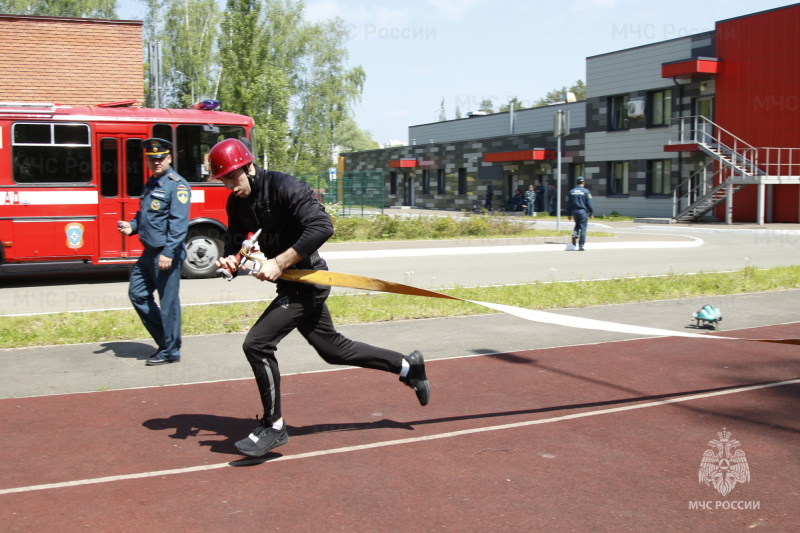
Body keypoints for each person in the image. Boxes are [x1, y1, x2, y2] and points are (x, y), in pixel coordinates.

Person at [209, 138, 430, 458]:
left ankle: (273, 427)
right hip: (289, 285)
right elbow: (234, 241)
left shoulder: (286, 187)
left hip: (309, 282)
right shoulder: (237, 203)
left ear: (248, 167)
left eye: (232, 177)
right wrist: (231, 260)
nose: (229, 185)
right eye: (223, 180)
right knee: (334, 349)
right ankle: (409, 367)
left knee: (256, 344)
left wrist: (279, 262)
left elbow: (322, 226)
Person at [118, 138, 191, 365]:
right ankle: (165, 340)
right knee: (137, 293)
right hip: (149, 252)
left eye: (160, 158)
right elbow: (145, 215)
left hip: (166, 252)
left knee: (168, 302)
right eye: (152, 159)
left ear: (169, 158)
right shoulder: (152, 183)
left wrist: (168, 253)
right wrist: (132, 226)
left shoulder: (177, 185)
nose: (156, 162)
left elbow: (178, 225)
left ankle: (170, 351)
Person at [567, 176, 594, 251]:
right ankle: (581, 246)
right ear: (584, 182)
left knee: (577, 225)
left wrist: (569, 214)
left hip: (574, 211)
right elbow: (589, 204)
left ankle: (575, 234)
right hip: (583, 212)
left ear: (576, 183)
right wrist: (591, 212)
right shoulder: (586, 192)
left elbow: (569, 204)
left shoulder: (571, 192)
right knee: (583, 228)